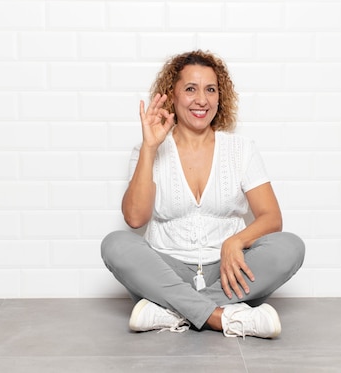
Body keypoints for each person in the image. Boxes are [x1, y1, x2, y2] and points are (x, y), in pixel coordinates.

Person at [101, 50, 305, 339]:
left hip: (228, 273)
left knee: (291, 247)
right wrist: (149, 148)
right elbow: (135, 218)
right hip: (166, 272)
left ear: (220, 97)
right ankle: (225, 317)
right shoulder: (148, 150)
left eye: (210, 89)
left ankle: (171, 311)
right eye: (190, 89)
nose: (202, 100)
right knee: (115, 244)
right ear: (171, 96)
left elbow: (272, 217)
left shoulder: (241, 149)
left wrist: (236, 241)